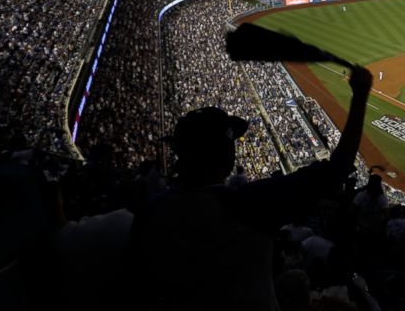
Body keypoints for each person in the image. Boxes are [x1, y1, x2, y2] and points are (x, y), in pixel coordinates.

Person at [125, 66, 373, 311]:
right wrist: (360, 96)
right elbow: (337, 168)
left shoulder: (149, 211)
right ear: (229, 156)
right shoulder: (249, 203)